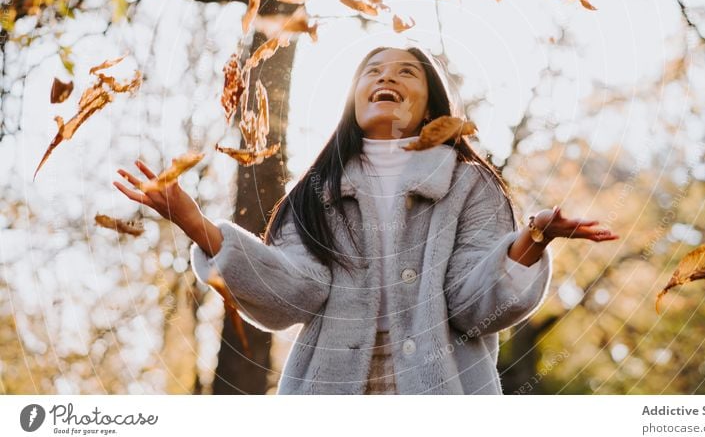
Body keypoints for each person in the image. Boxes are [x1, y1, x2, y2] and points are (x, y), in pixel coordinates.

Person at [113, 45, 619, 394]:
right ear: (352, 99)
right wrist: (195, 223)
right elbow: (292, 294)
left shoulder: (469, 185)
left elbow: (473, 304)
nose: (385, 77)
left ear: (430, 107)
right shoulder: (316, 192)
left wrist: (534, 237)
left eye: (405, 72)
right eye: (372, 71)